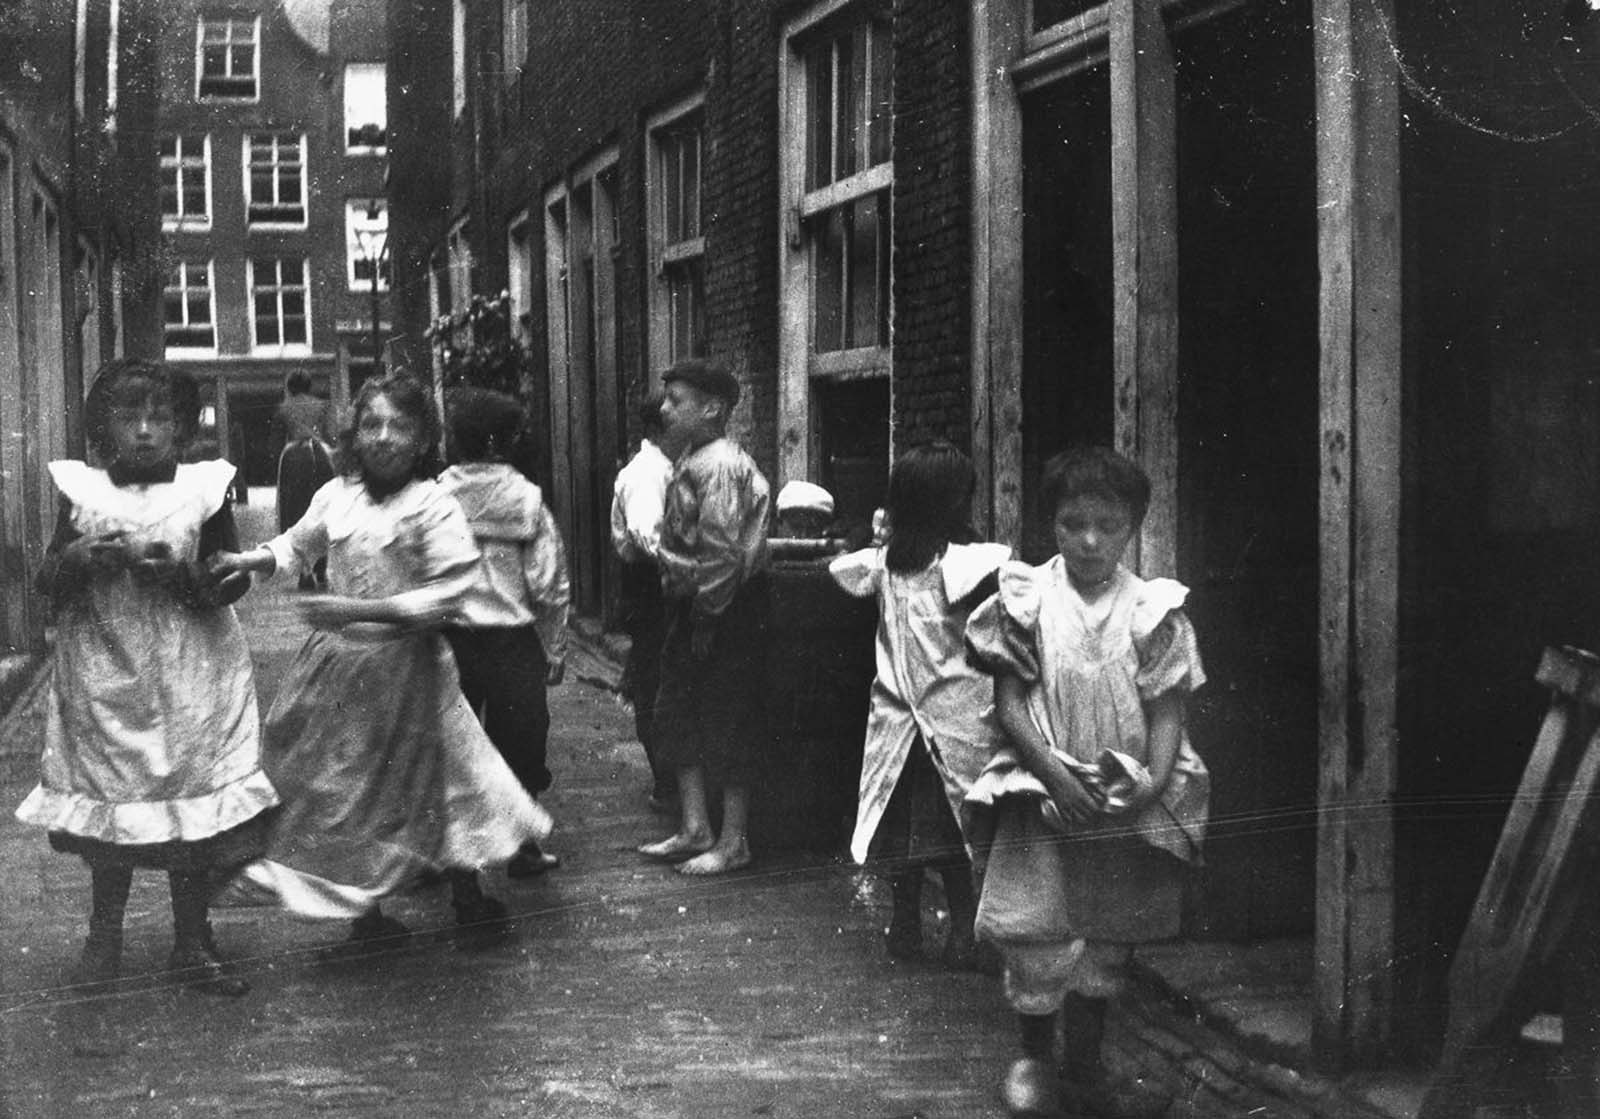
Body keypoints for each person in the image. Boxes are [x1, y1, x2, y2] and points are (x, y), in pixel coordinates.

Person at [209, 375, 550, 942]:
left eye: (400, 426)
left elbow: (450, 590)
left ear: (422, 440)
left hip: (409, 668)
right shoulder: (337, 495)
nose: (384, 438)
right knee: (346, 786)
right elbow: (298, 543)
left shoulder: (432, 504)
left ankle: (467, 893)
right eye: (372, 424)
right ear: (354, 432)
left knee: (446, 780)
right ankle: (365, 916)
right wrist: (250, 559)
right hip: (341, 671)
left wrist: (356, 608)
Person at [15, 358, 277, 996]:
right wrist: (76, 559)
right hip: (106, 670)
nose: (144, 432)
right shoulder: (82, 494)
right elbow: (47, 581)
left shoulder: (203, 491)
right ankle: (105, 935)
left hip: (189, 671)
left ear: (183, 429)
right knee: (115, 810)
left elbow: (230, 581)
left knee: (186, 810)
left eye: (160, 418)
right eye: (128, 418)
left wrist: (184, 578)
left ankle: (193, 939)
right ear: (104, 429)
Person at [962, 446, 1209, 1119]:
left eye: (1108, 524)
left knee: (1106, 926)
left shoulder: (1152, 609)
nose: (1091, 539)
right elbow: (1010, 703)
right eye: (1074, 524)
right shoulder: (1028, 597)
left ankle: (1086, 1064)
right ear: (1053, 526)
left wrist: (1154, 782)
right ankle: (1034, 1058)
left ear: (1133, 526)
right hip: (1045, 785)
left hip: (1118, 791)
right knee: (1038, 927)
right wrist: (1051, 774)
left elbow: (1165, 708)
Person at [828, 443, 1009, 971]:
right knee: (955, 832)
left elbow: (843, 568)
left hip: (899, 722)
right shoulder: (968, 566)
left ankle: (904, 923)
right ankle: (962, 928)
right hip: (952, 721)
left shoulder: (886, 565)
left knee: (903, 829)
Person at [636, 359, 771, 877]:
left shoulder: (719, 465)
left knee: (728, 716)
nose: (664, 409)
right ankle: (696, 827)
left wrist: (707, 619)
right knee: (677, 711)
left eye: (677, 401)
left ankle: (734, 839)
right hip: (694, 607)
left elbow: (721, 553)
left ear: (712, 408)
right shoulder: (694, 458)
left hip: (724, 610)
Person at [438, 387, 569, 878]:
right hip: (512, 640)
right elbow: (549, 582)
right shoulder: (525, 499)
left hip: (451, 639)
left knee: (453, 744)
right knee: (520, 741)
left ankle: (447, 853)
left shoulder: (435, 496)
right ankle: (521, 846)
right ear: (503, 440)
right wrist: (555, 646)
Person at [609, 390, 681, 811]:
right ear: (658, 428)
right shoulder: (647, 472)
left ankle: (670, 780)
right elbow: (647, 534)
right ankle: (665, 783)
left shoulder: (665, 466)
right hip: (651, 585)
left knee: (657, 674)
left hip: (659, 582)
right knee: (654, 679)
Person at [272, 372, 336, 588]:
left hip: (293, 458)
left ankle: (304, 571)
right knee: (324, 509)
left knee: (294, 511)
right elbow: (329, 434)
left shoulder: (283, 407)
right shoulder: (322, 405)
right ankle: (321, 570)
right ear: (309, 386)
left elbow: (276, 441)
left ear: (290, 387)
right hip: (320, 454)